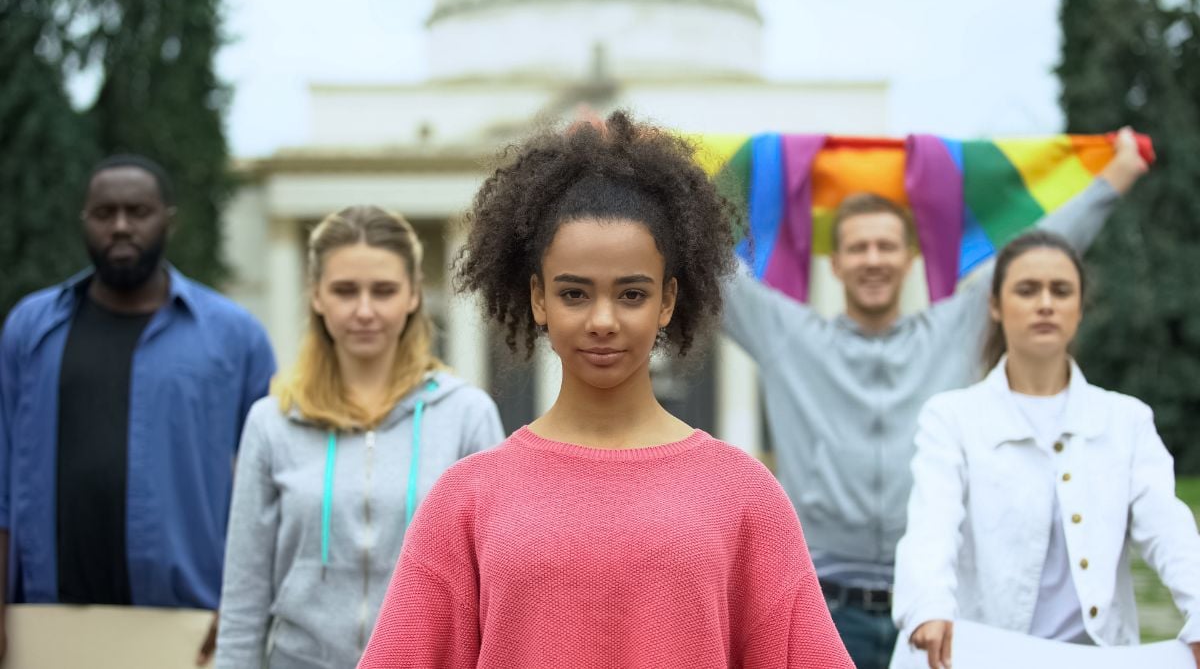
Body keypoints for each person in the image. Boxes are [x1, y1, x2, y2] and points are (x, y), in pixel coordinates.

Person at [357, 112, 853, 668]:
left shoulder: (744, 497)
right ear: (538, 299)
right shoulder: (466, 500)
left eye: (632, 295)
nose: (602, 320)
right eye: (574, 294)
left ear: (668, 300)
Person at [720, 128, 1150, 667]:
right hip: (820, 605)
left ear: (910, 258)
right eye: (858, 247)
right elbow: (710, 272)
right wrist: (617, 169)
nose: (873, 259)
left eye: (885, 246)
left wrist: (1117, 176)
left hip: (934, 608)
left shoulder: (958, 328)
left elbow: (1037, 254)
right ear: (836, 262)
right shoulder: (787, 336)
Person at [0, 154, 276, 664]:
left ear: (168, 220)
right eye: (105, 213)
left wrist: (242, 611)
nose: (122, 226)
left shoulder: (234, 337)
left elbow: (273, 489)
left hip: (187, 625)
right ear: (85, 219)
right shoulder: (29, 329)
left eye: (138, 211)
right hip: (45, 621)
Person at [893, 230, 1200, 669]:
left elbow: (1169, 530)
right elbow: (931, 525)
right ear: (996, 306)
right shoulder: (952, 417)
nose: (1045, 303)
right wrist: (928, 605)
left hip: (1098, 657)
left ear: (1080, 307)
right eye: (1026, 289)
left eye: (1060, 291)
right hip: (985, 654)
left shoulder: (1126, 420)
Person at [215, 206, 504, 668]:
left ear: (412, 295)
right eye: (345, 290)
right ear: (316, 296)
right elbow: (244, 597)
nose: (364, 310)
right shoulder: (272, 422)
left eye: (384, 291)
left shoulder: (467, 415)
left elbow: (493, 588)